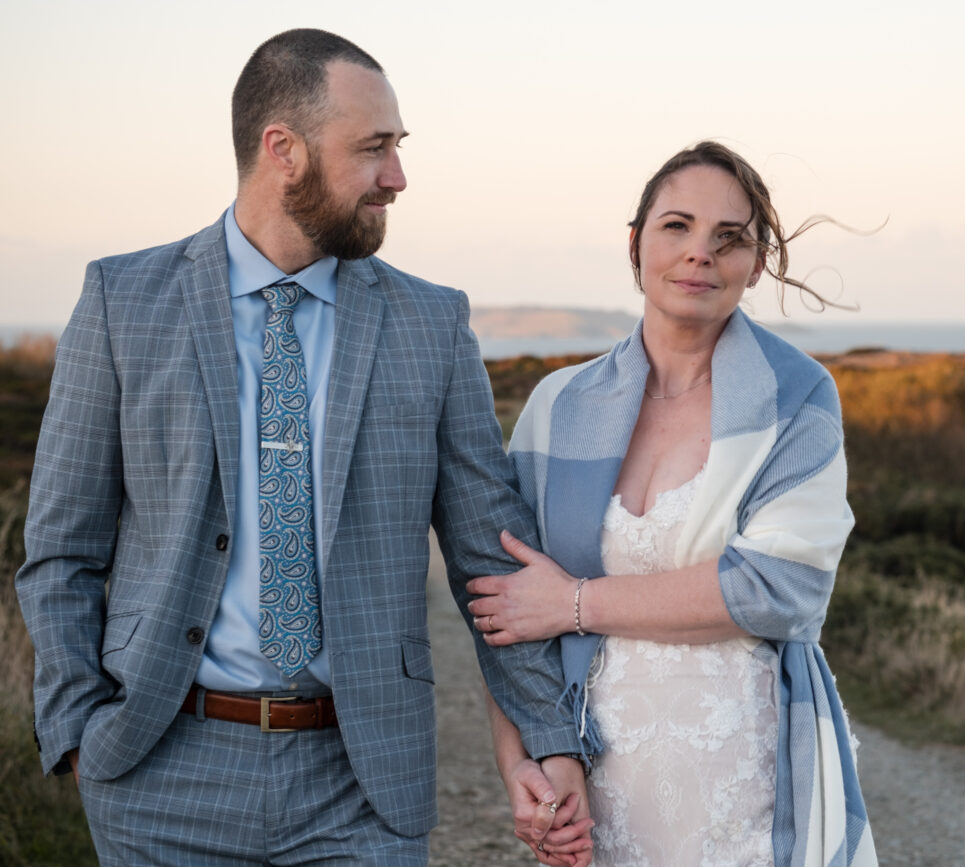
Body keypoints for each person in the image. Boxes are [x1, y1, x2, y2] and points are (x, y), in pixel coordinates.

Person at [15, 28, 589, 865]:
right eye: (374, 148)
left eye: (398, 146)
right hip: (158, 770)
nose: (398, 176)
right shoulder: (122, 300)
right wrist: (76, 730)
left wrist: (548, 737)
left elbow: (489, 563)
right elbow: (61, 548)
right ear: (282, 150)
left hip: (360, 781)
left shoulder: (432, 324)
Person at [466, 141, 878, 866]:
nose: (700, 255)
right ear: (635, 244)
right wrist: (525, 763)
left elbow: (779, 587)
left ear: (756, 262)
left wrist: (576, 604)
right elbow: (507, 610)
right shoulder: (557, 405)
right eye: (677, 226)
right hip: (597, 783)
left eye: (730, 238)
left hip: (746, 784)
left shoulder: (798, 397)